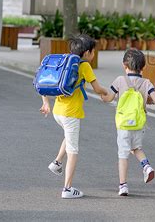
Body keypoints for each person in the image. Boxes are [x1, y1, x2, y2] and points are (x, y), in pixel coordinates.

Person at [40, 34, 108, 199]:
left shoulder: (64, 61)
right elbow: (97, 88)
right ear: (86, 53)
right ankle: (67, 189)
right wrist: (107, 92)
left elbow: (45, 81)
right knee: (73, 151)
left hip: (58, 111)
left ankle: (56, 163)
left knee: (68, 137)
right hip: (71, 113)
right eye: (93, 52)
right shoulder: (84, 66)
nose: (93, 55)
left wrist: (46, 103)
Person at [102, 49, 155, 196]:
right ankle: (146, 166)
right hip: (139, 124)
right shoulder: (146, 82)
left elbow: (108, 98)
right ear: (143, 67)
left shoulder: (120, 80)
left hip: (123, 125)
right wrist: (147, 100)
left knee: (123, 155)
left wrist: (101, 94)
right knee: (136, 148)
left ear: (124, 65)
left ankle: (123, 185)